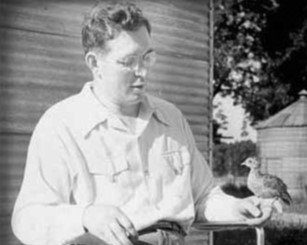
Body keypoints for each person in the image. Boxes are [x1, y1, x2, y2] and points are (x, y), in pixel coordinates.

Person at [11, 2, 273, 245]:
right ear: (94, 63)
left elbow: (203, 197)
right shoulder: (61, 125)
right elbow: (27, 219)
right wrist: (85, 216)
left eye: (147, 57)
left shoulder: (172, 119)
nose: (144, 72)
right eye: (128, 62)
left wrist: (235, 208)